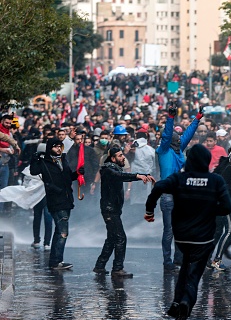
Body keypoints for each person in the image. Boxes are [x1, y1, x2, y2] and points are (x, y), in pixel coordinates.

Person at [145, 144, 231, 320]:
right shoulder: (215, 180)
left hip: (183, 237)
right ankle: (185, 303)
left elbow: (159, 186)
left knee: (185, 265)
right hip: (203, 239)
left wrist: (149, 209)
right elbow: (227, 207)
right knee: (193, 275)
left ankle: (177, 302)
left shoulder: (179, 178)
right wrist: (209, 210)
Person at [93, 147, 155, 277]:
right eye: (120, 156)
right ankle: (117, 269)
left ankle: (100, 266)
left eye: (123, 155)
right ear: (113, 158)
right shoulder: (108, 170)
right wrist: (138, 176)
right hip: (110, 210)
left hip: (113, 209)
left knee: (112, 238)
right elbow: (121, 176)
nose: (123, 158)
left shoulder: (114, 168)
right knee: (121, 238)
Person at [156, 105, 202, 271]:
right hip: (168, 195)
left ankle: (178, 259)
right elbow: (168, 134)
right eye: (176, 138)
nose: (179, 139)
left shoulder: (178, 150)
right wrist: (170, 117)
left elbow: (188, 134)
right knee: (169, 230)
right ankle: (167, 262)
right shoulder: (163, 150)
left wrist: (197, 118)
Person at [30, 138, 83, 270]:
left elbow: (67, 177)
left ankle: (55, 260)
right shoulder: (44, 162)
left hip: (67, 199)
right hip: (55, 200)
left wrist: (77, 174)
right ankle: (56, 261)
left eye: (60, 146)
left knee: (59, 231)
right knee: (63, 232)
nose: (59, 149)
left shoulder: (63, 160)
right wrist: (35, 158)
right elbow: (34, 171)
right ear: (49, 148)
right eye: (55, 147)